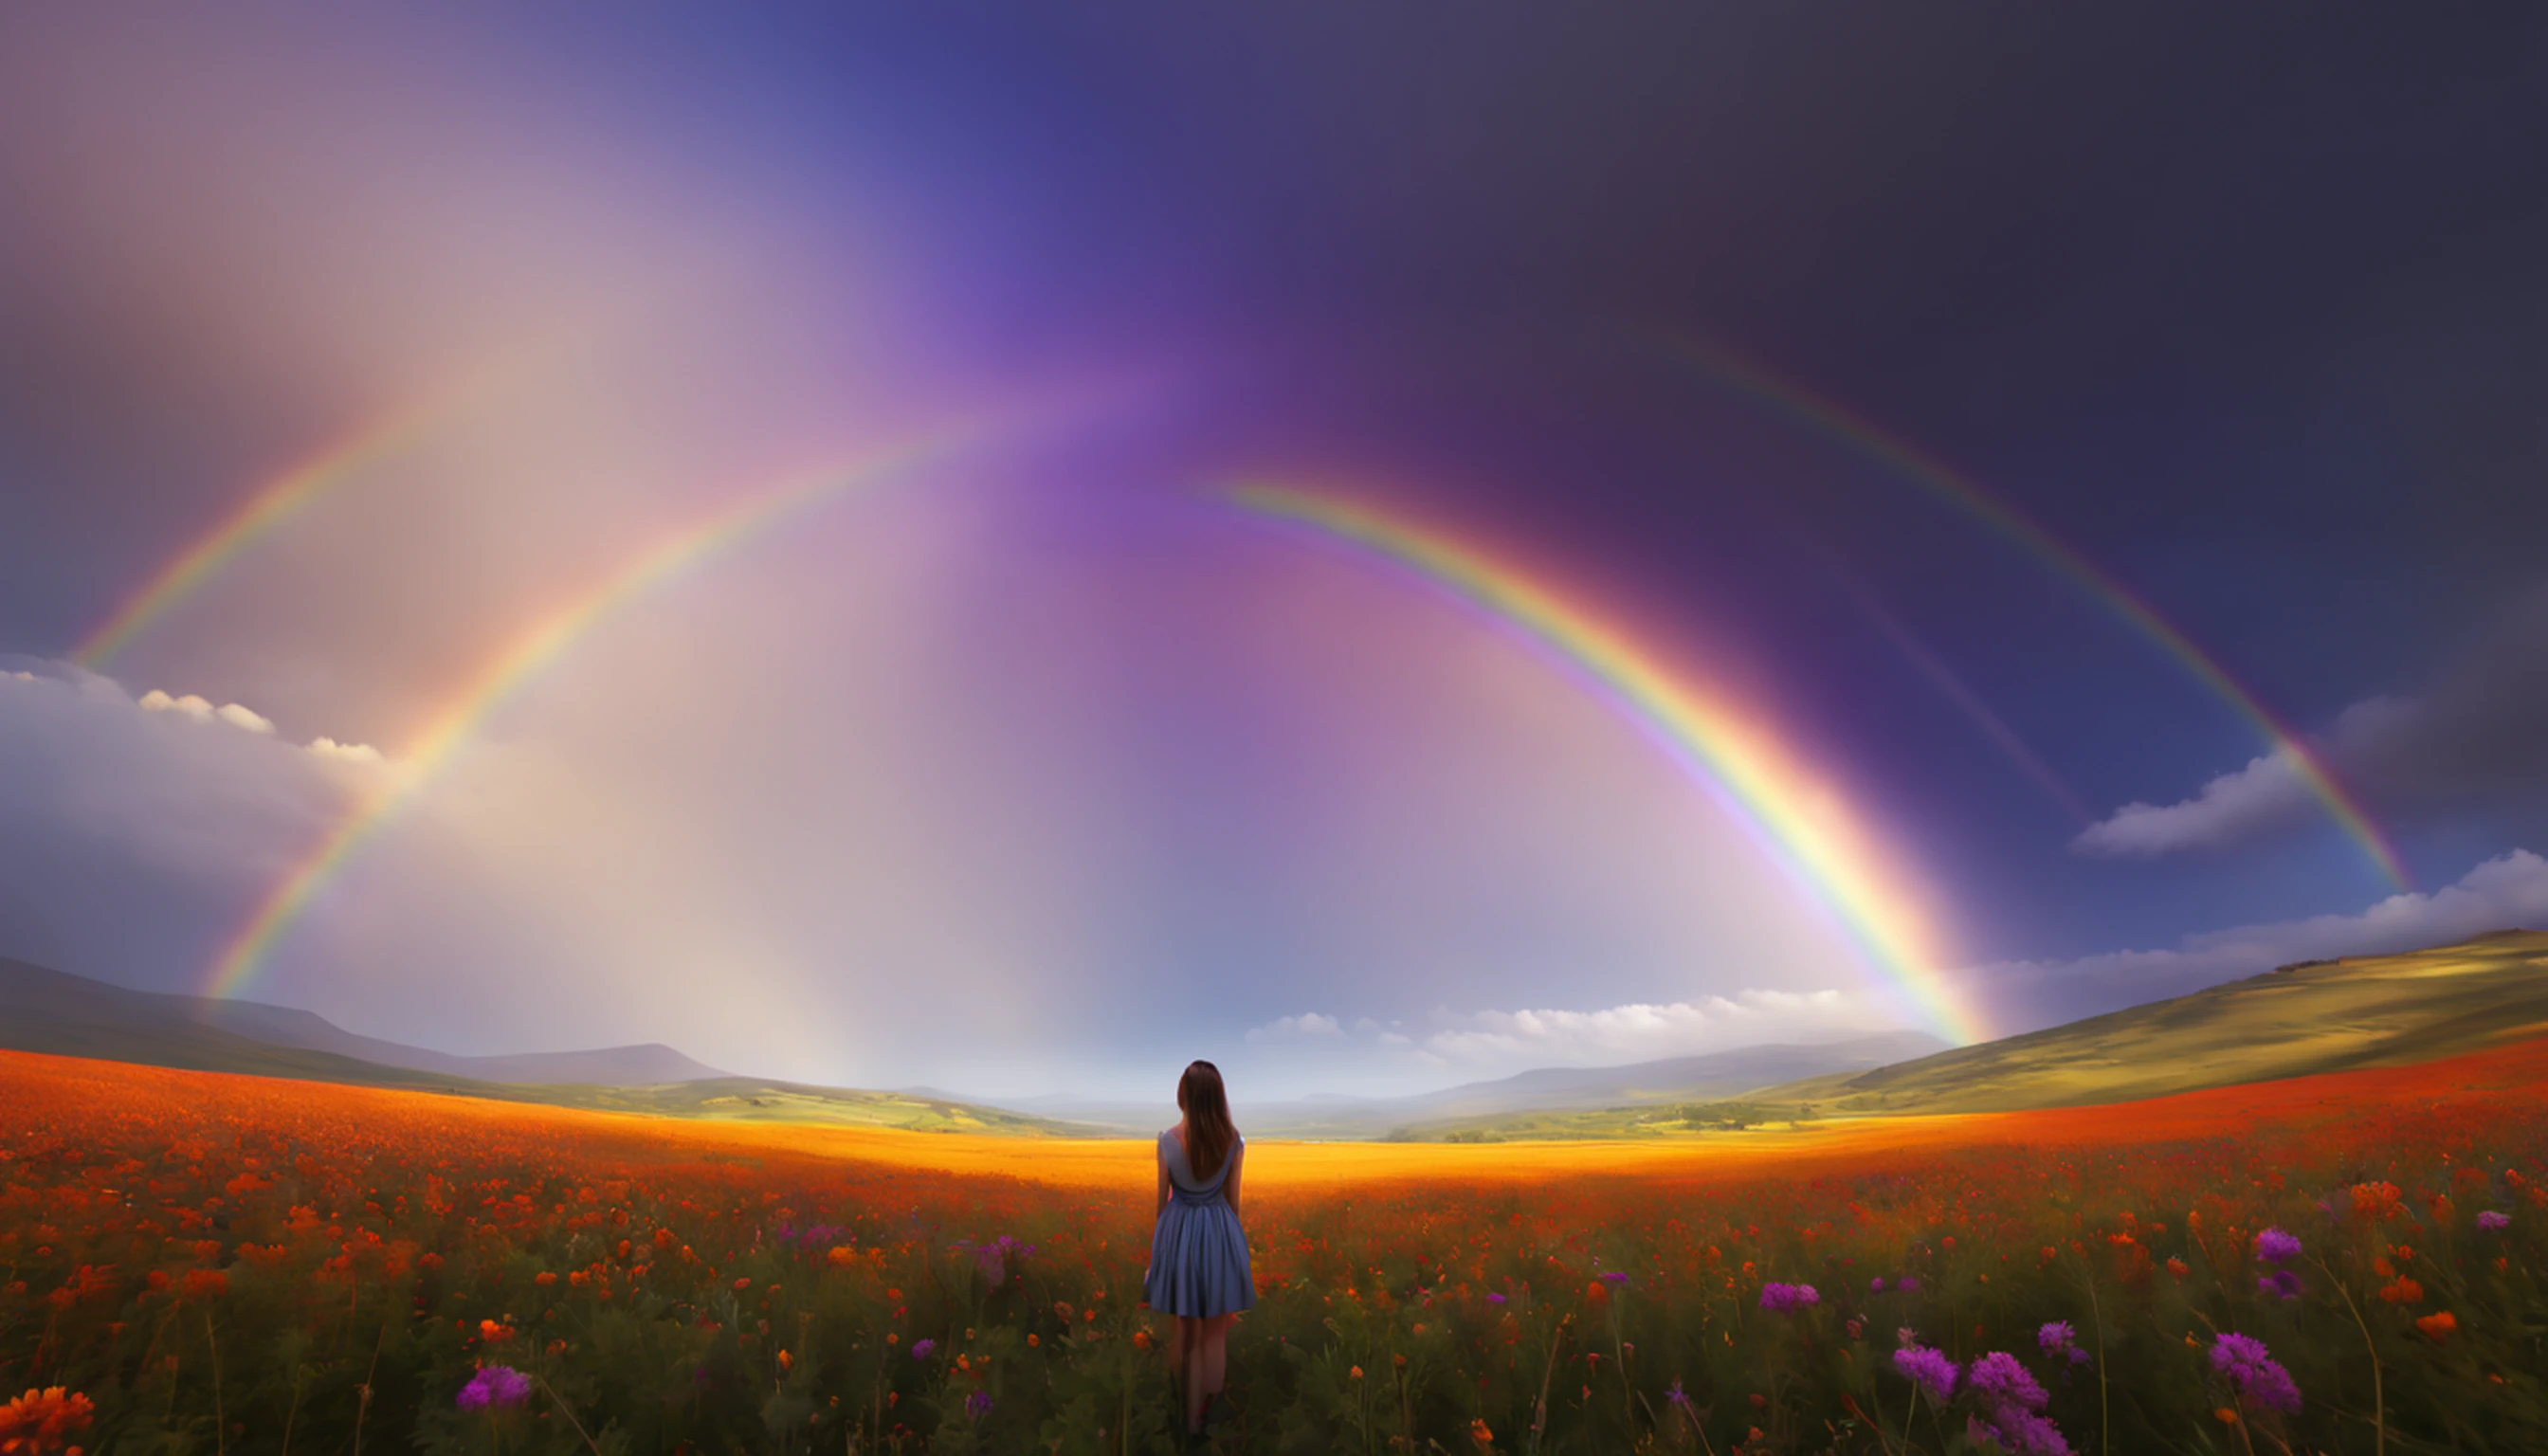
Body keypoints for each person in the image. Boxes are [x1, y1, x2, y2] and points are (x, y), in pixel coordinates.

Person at [1145, 1059, 1254, 1447]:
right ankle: (1205, 1417)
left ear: (1183, 1096)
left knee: (1184, 1332)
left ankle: (1185, 1419)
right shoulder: (1235, 1141)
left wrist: (1158, 1259)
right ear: (1218, 1097)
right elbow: (1234, 1204)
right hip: (1218, 1233)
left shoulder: (1165, 1141)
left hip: (1177, 1233)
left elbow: (1161, 1205)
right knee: (1214, 1333)